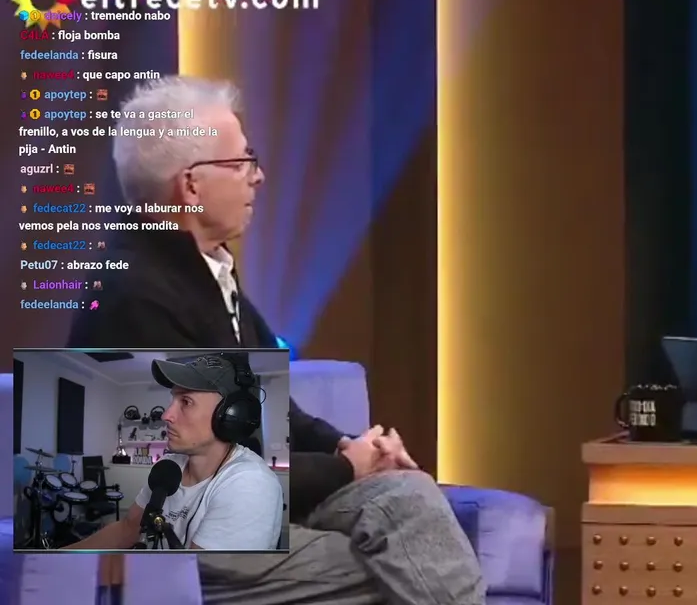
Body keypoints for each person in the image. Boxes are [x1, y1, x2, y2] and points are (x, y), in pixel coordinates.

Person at [66, 76, 484, 604]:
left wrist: (351, 447)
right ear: (191, 186)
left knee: (407, 499)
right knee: (402, 558)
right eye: (242, 162)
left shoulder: (206, 275)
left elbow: (273, 409)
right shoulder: (135, 295)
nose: (258, 176)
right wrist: (347, 468)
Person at [65, 353, 283, 551]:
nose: (166, 415)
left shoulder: (250, 483)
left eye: (186, 401)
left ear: (231, 415)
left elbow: (202, 575)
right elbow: (128, 528)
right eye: (173, 399)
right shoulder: (171, 466)